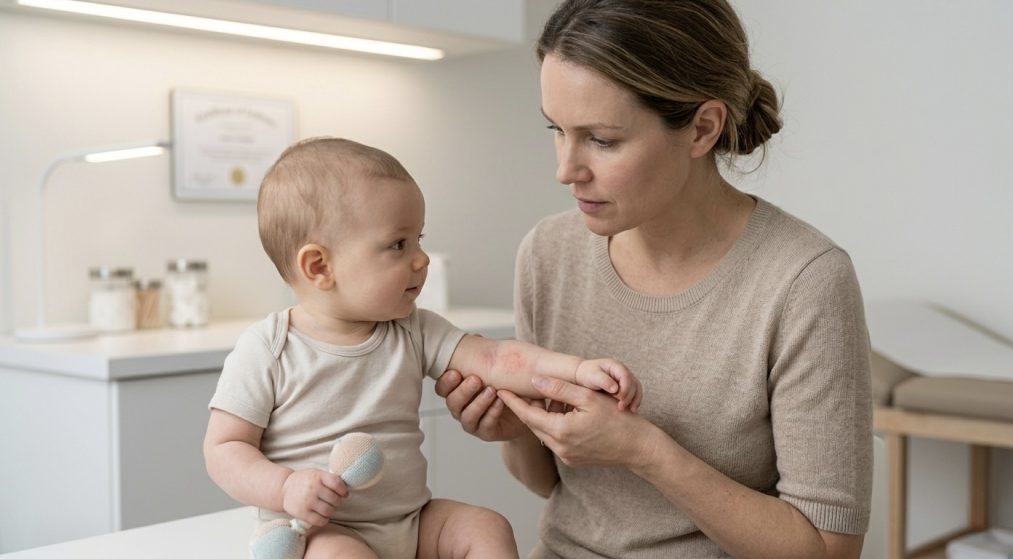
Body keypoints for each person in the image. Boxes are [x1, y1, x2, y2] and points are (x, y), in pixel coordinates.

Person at [435, 0, 873, 558]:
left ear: (702, 128)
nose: (566, 170)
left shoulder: (803, 281)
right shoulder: (549, 252)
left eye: (602, 139)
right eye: (557, 129)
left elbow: (829, 550)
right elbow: (554, 485)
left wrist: (645, 451)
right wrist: (516, 428)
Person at [203, 137, 642, 559]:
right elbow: (224, 450)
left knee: (487, 527)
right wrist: (285, 488)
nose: (421, 259)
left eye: (419, 240)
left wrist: (577, 370)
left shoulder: (412, 329)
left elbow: (495, 358)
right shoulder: (268, 349)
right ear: (320, 267)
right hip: (324, 532)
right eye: (398, 244)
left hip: (411, 521)